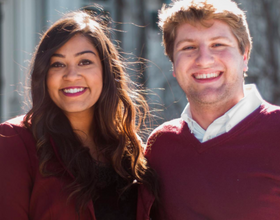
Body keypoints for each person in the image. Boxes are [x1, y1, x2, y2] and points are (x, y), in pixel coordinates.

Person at [0, 10, 158, 220]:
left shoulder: (128, 147)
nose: (71, 75)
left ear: (106, 71)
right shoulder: (13, 141)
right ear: (44, 75)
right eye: (57, 64)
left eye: (85, 62)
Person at [142, 0, 280, 219]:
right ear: (174, 65)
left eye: (218, 44)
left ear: (244, 56)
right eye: (188, 47)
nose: (204, 60)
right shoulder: (160, 146)